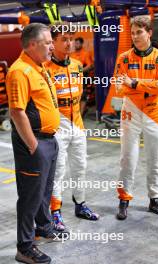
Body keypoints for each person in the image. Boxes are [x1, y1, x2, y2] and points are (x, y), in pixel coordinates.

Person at [6, 23, 67, 264]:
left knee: (44, 191)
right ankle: (25, 247)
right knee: (30, 196)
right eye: (48, 42)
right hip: (34, 143)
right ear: (32, 44)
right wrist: (33, 146)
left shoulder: (39, 67)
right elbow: (17, 112)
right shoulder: (20, 71)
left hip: (49, 140)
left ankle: (43, 228)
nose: (53, 45)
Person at [115, 16, 158, 220]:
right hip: (130, 111)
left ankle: (154, 200)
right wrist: (146, 84)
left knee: (155, 160)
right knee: (127, 159)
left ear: (149, 33)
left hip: (154, 114)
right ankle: (123, 200)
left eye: (139, 32)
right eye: (133, 32)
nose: (135, 36)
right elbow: (119, 87)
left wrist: (135, 83)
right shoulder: (123, 58)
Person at [45, 22, 99, 231]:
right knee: (57, 171)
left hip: (77, 124)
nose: (68, 43)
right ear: (54, 42)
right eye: (63, 40)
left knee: (80, 167)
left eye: (70, 39)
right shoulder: (45, 68)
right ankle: (55, 212)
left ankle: (80, 204)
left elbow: (82, 94)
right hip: (58, 126)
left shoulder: (77, 65)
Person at [71, 37, 94, 116]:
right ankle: (76, 113)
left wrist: (80, 71)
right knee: (75, 95)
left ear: (81, 44)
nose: (76, 45)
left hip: (83, 77)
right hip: (73, 78)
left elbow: (90, 65)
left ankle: (81, 113)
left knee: (83, 95)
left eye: (78, 43)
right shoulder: (72, 54)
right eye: (75, 43)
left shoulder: (86, 53)